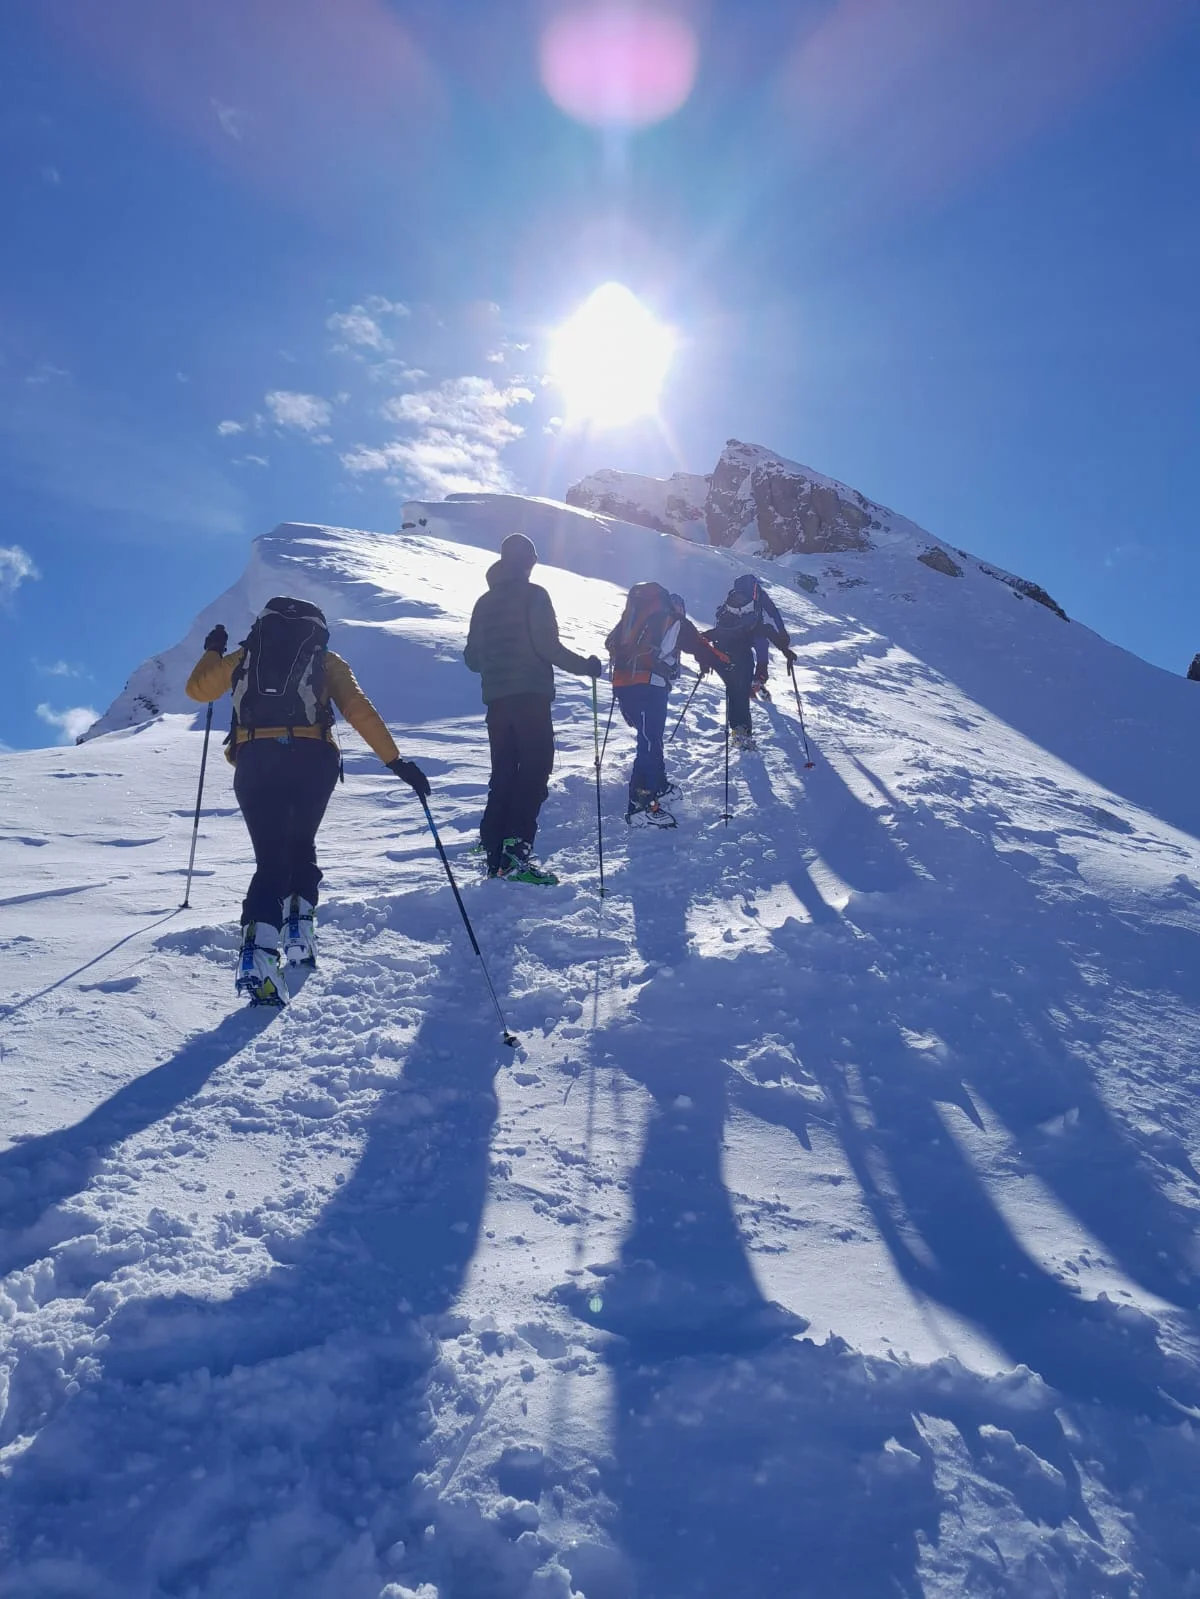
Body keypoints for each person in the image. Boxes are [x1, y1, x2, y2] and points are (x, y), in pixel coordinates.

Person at [185, 596, 429, 1006]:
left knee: (271, 858)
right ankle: (298, 931)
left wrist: (213, 649)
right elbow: (358, 711)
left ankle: (258, 954)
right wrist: (395, 761)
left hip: (255, 759)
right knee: (301, 842)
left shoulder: (245, 657)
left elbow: (197, 691)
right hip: (314, 758)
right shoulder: (327, 660)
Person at [464, 533, 602, 885]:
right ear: (527, 562)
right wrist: (585, 666)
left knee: (505, 770)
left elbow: (472, 659)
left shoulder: (483, 601)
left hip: (497, 702)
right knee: (535, 769)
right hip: (530, 696)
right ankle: (515, 853)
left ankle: (492, 844)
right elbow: (547, 647)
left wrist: (498, 661)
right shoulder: (534, 595)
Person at [606, 584, 722, 825]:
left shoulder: (633, 619)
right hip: (650, 685)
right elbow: (701, 646)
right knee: (649, 742)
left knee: (648, 739)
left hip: (624, 685)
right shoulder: (674, 620)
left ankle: (657, 785)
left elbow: (611, 643)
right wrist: (727, 666)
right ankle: (642, 804)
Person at [707, 574, 793, 750]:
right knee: (758, 653)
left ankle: (737, 728)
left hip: (727, 646)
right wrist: (783, 636)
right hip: (751, 638)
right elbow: (773, 614)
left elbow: (719, 628)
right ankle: (758, 678)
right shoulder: (757, 597)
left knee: (734, 686)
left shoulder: (732, 600)